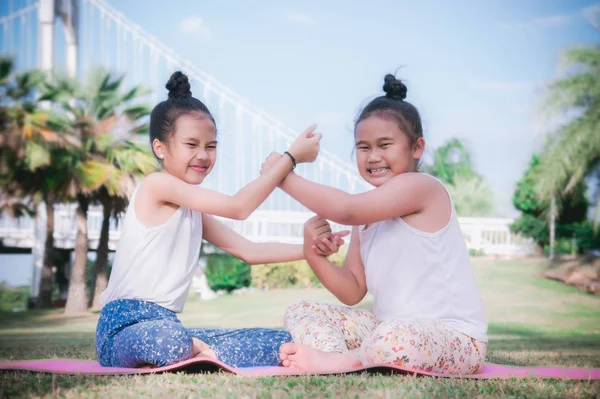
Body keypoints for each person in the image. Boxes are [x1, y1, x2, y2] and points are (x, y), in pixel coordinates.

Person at [95, 71, 346, 369]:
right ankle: (190, 349)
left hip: (166, 323)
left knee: (280, 342)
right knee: (169, 341)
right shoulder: (156, 186)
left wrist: (309, 249)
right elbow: (238, 207)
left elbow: (248, 251)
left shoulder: (192, 210)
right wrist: (289, 159)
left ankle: (196, 350)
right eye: (192, 145)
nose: (203, 155)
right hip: (122, 331)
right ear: (159, 148)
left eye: (211, 146)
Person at [269, 74, 488, 375]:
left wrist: (282, 174)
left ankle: (355, 356)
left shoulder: (423, 188)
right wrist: (313, 255)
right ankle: (337, 358)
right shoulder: (367, 218)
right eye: (363, 148)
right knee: (301, 310)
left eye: (385, 145)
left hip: (453, 338)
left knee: (391, 338)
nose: (373, 157)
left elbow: (346, 209)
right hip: (386, 329)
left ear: (416, 147)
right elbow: (353, 290)